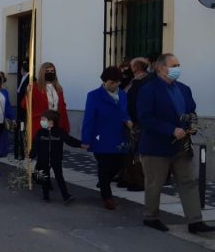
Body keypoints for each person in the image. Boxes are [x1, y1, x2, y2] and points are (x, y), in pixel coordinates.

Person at [136, 53, 215, 234]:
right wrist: (170, 129)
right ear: (161, 68)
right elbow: (145, 117)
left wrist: (192, 124)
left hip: (181, 146)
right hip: (156, 146)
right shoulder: (148, 89)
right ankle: (151, 217)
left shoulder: (184, 89)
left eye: (179, 65)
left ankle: (195, 221)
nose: (178, 68)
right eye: (174, 65)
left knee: (188, 182)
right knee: (154, 183)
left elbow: (191, 110)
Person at [81, 66, 132, 210]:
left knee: (119, 164)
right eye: (111, 82)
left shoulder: (122, 95)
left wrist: (127, 120)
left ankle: (104, 182)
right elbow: (89, 119)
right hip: (100, 137)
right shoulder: (94, 95)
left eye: (117, 82)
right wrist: (86, 140)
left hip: (118, 137)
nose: (114, 85)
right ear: (104, 81)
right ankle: (107, 197)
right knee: (104, 167)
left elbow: (124, 112)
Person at [30, 110, 81, 203]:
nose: (41, 121)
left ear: (51, 121)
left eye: (43, 119)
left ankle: (66, 196)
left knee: (59, 177)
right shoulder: (40, 132)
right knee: (44, 177)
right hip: (43, 159)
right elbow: (35, 145)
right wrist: (31, 156)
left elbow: (69, 140)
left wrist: (81, 144)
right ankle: (45, 196)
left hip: (56, 159)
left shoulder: (60, 132)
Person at [123, 57, 152, 191]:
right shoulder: (134, 81)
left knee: (138, 153)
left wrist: (134, 120)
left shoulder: (146, 81)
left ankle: (139, 182)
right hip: (130, 121)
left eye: (132, 65)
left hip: (138, 122)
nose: (129, 67)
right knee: (130, 151)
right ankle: (129, 178)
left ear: (138, 67)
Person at [24, 62, 70, 139]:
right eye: (47, 71)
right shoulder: (35, 87)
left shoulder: (58, 88)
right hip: (41, 124)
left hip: (56, 124)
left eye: (52, 71)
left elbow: (62, 107)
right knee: (42, 148)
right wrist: (28, 93)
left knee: (55, 147)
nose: (50, 73)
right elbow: (25, 105)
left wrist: (65, 125)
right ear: (43, 73)